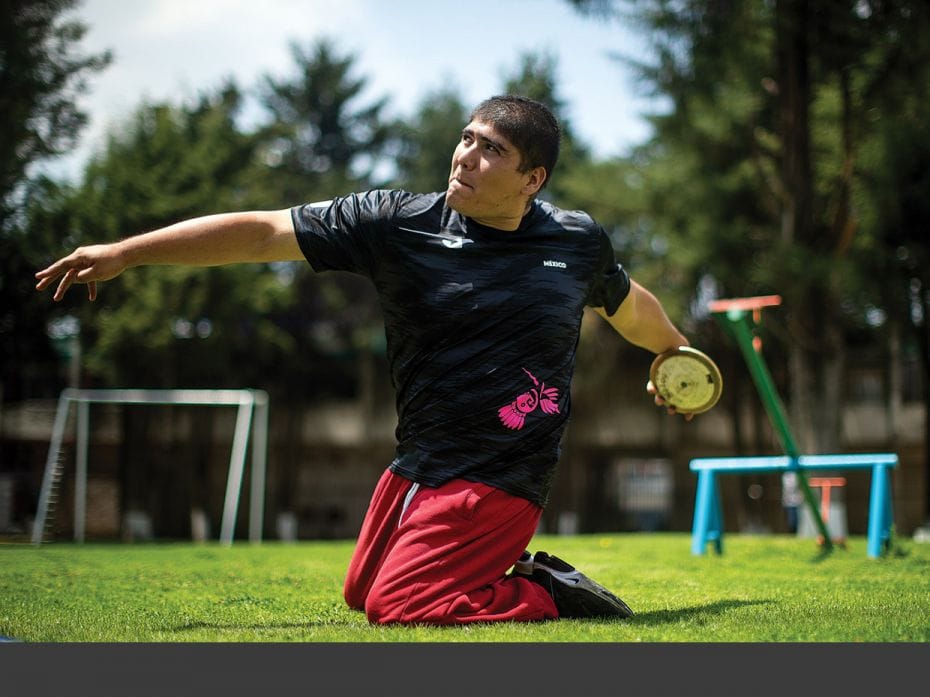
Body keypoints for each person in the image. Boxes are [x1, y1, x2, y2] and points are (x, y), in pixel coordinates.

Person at [36, 95, 702, 625]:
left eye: (490, 149)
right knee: (362, 592)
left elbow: (625, 303)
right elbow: (265, 231)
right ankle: (515, 571)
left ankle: (552, 593)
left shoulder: (575, 241)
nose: (465, 155)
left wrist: (675, 350)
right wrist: (129, 252)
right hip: (419, 462)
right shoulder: (395, 224)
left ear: (533, 178)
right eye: (466, 138)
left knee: (401, 604)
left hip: (504, 472)